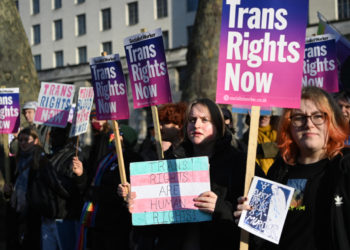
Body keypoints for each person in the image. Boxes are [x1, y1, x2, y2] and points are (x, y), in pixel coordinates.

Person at [120, 98, 247, 250]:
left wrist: (220, 208)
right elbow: (150, 229)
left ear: (218, 126)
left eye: (205, 120)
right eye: (192, 120)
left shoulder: (239, 163)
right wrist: (135, 206)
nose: (197, 125)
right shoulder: (171, 160)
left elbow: (253, 222)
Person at [235, 86, 350, 250]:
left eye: (318, 116)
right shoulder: (280, 171)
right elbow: (263, 239)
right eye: (299, 117)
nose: (308, 124)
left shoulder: (344, 166)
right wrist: (250, 217)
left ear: (331, 121)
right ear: (288, 126)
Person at [4, 127, 51, 249]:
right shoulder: (16, 160)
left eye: (26, 139)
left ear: (35, 141)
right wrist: (8, 192)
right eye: (20, 140)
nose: (23, 143)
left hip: (34, 212)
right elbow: (14, 185)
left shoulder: (42, 159)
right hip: (17, 211)